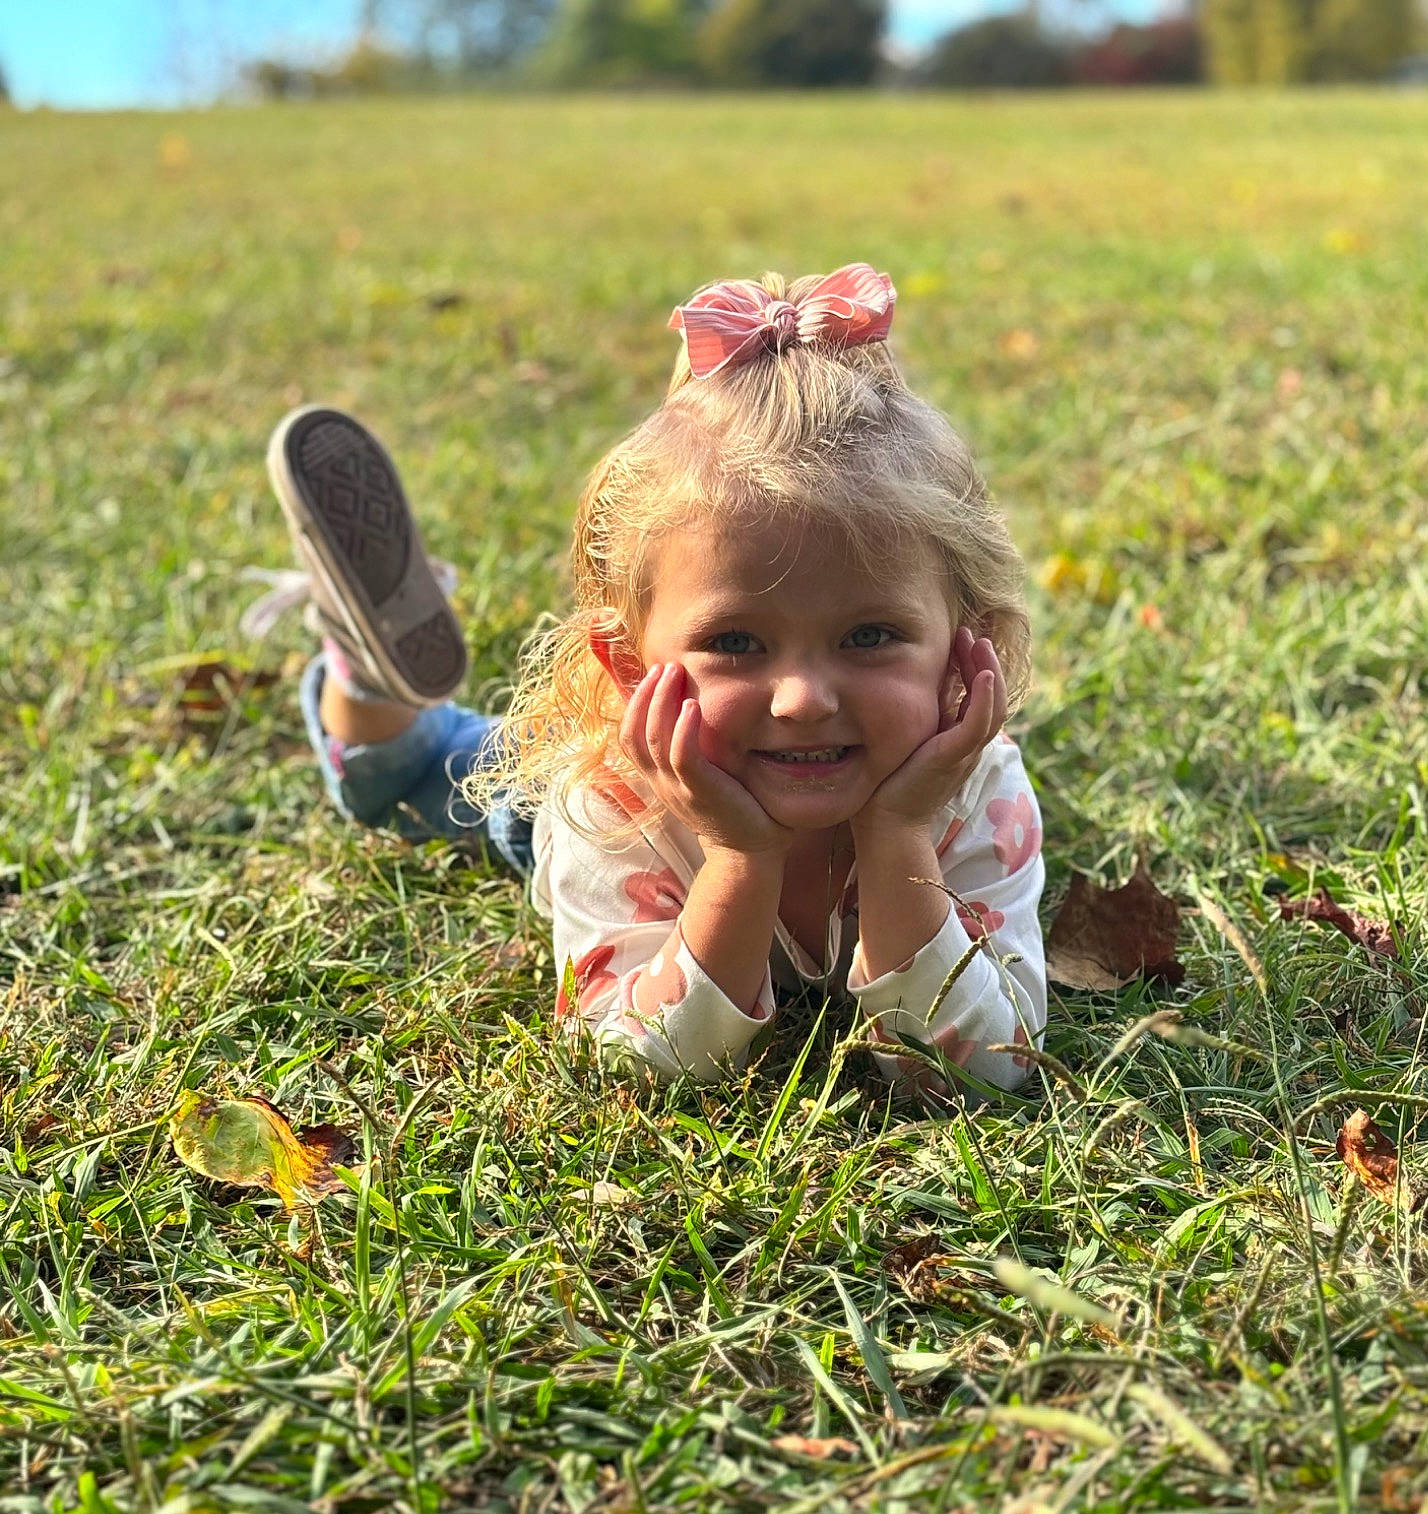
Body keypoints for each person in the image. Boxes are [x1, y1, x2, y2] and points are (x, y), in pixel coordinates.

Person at [251, 263, 1046, 1094]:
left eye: (870, 635)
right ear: (631, 666)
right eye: (737, 642)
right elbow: (641, 1067)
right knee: (419, 777)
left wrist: (898, 839)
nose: (805, 699)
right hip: (658, 788)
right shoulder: (603, 802)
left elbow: (986, 1075)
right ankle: (366, 661)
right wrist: (738, 858)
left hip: (772, 756)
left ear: (965, 648)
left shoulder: (975, 792)